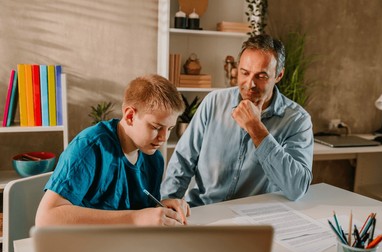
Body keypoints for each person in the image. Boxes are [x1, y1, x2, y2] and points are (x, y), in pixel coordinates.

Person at [161, 34, 314, 207]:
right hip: (204, 211)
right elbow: (183, 160)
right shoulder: (214, 102)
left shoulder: (297, 121)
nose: (250, 84)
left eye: (261, 76)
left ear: (279, 75)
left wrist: (257, 129)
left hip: (253, 220)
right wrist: (169, 200)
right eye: (245, 73)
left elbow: (297, 188)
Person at [35, 74, 190, 226]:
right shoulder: (90, 147)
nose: (164, 138)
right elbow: (46, 218)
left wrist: (161, 209)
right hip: (87, 245)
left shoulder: (154, 159)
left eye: (169, 129)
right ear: (130, 116)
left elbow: (139, 212)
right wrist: (136, 218)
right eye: (156, 127)